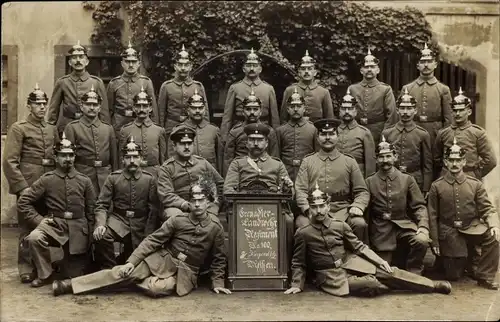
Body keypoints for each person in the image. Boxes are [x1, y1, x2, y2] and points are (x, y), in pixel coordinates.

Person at [52, 182, 231, 297]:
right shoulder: (178, 220)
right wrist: (131, 262)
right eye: (194, 200)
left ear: (209, 202)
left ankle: (134, 281)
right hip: (161, 259)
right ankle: (69, 285)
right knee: (122, 272)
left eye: (202, 200)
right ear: (189, 202)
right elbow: (152, 241)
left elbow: (219, 258)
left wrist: (217, 283)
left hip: (186, 272)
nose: (198, 204)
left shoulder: (215, 227)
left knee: (155, 289)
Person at [284, 185, 452, 297]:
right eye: (314, 207)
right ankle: (404, 286)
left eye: (322, 206)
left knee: (389, 271)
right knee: (371, 284)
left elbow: (359, 246)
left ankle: (432, 285)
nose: (319, 211)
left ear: (328, 206)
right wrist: (297, 284)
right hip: (330, 276)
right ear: (310, 209)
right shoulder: (303, 233)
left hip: (350, 263)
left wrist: (379, 262)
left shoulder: (339, 225)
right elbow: (298, 262)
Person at [17, 133, 96, 287]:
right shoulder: (47, 179)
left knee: (74, 276)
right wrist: (39, 220)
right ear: (55, 157)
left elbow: (92, 210)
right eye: (63, 155)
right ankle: (44, 273)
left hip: (78, 227)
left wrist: (91, 234)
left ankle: (61, 265)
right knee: (34, 237)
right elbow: (23, 202)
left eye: (70, 155)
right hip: (54, 225)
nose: (68, 159)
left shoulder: (84, 180)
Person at [2, 84, 58, 283]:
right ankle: (26, 267)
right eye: (37, 104)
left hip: (49, 183)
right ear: (29, 105)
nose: (42, 107)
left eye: (44, 103)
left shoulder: (52, 128)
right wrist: (23, 188)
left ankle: (44, 266)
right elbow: (9, 161)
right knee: (26, 227)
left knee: (46, 225)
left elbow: (57, 156)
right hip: (29, 183)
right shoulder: (19, 128)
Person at [428, 139, 500, 290]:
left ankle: (485, 276)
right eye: (451, 160)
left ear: (464, 162)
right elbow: (432, 215)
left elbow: (487, 208)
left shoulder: (475, 184)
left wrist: (493, 223)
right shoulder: (436, 186)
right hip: (449, 231)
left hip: (471, 227)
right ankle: (461, 259)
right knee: (453, 275)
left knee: (493, 236)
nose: (454, 164)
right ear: (446, 162)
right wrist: (435, 241)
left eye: (458, 160)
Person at [223, 122, 295, 263]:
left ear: (267, 143)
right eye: (252, 140)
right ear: (247, 143)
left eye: (260, 140)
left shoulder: (277, 164)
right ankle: (237, 265)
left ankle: (284, 264)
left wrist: (287, 187)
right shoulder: (237, 164)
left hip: (272, 210)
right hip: (244, 209)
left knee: (288, 221)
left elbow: (290, 193)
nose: (256, 143)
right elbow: (228, 190)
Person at [295, 118, 370, 243]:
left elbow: (362, 191)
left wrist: (358, 206)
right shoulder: (308, 161)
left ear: (338, 136)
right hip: (315, 209)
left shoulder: (349, 161)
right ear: (318, 138)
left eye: (331, 133)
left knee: (359, 224)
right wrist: (307, 209)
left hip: (342, 210)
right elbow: (300, 190)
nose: (327, 137)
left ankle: (356, 259)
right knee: (302, 224)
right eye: (323, 134)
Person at [365, 136, 431, 275]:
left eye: (388, 156)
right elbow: (367, 212)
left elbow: (419, 206)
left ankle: (414, 271)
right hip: (381, 230)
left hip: (403, 225)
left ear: (395, 157)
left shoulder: (407, 179)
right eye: (381, 157)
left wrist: (423, 226)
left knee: (422, 240)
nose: (385, 161)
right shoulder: (369, 182)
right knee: (383, 272)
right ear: (376, 159)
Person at [92, 136, 158, 269]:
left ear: (141, 159)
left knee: (139, 257)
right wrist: (100, 224)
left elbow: (154, 209)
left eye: (135, 157)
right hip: (119, 221)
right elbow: (101, 205)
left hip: (141, 222)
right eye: (128, 157)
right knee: (102, 236)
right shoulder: (113, 178)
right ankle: (110, 270)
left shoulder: (149, 179)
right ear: (123, 160)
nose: (132, 161)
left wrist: (149, 232)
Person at [158, 125, 224, 222]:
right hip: (178, 208)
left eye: (189, 143)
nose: (186, 147)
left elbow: (220, 184)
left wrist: (216, 204)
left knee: (213, 221)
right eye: (182, 144)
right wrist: (186, 205)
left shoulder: (203, 163)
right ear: (174, 146)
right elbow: (166, 195)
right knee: (177, 219)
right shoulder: (167, 168)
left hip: (202, 204)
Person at [64, 85, 118, 195]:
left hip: (105, 177)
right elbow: (67, 158)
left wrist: (115, 178)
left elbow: (114, 158)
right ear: (82, 106)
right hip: (82, 175)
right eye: (88, 104)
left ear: (99, 107)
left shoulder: (108, 128)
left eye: (95, 105)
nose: (92, 108)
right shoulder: (72, 127)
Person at [47, 41, 109, 135]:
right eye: (74, 57)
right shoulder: (62, 82)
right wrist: (51, 131)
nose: (78, 60)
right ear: (70, 62)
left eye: (81, 57)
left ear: (87, 61)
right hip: (67, 126)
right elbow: (53, 111)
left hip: (90, 127)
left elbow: (104, 112)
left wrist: (104, 131)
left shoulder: (96, 82)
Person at [434, 88, 496, 180]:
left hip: (469, 177)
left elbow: (491, 161)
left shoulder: (478, 133)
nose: (458, 113)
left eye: (461, 110)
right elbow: (437, 158)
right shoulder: (443, 133)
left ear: (469, 111)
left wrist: (475, 175)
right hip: (447, 178)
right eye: (455, 110)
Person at [220, 48, 279, 144]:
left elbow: (274, 118)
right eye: (248, 66)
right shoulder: (235, 88)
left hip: (263, 132)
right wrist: (224, 137)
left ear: (260, 69)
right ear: (243, 69)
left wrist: (276, 138)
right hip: (240, 132)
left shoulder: (268, 89)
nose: (252, 69)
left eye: (255, 66)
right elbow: (227, 116)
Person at [158, 45, 209, 153]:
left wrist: (205, 130)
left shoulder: (198, 86)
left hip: (193, 127)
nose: (183, 68)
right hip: (171, 127)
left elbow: (206, 112)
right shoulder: (167, 86)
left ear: (190, 66)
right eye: (180, 64)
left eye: (186, 65)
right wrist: (162, 132)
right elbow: (161, 113)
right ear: (175, 66)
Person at [381, 88, 432, 195]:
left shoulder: (422, 134)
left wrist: (426, 187)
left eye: (409, 108)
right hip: (392, 178)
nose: (405, 112)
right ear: (397, 110)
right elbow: (382, 160)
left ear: (415, 110)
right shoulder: (387, 133)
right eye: (402, 108)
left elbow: (427, 164)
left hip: (415, 179)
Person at [402, 43, 452, 148]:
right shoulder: (407, 89)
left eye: (429, 62)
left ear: (435, 64)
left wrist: (442, 137)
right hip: (413, 130)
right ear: (417, 65)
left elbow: (448, 119)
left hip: (435, 133)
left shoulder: (443, 89)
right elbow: (400, 116)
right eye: (422, 62)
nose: (426, 65)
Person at [223, 88, 279, 176]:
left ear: (260, 112)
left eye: (255, 109)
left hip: (264, 174)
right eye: (248, 109)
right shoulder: (235, 132)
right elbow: (228, 160)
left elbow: (275, 158)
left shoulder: (269, 132)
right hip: (241, 174)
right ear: (243, 112)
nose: (252, 112)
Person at [107, 41, 158, 135]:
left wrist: (154, 129)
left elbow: (153, 110)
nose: (131, 65)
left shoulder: (146, 82)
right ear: (122, 63)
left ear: (138, 64)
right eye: (127, 61)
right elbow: (109, 110)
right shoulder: (114, 83)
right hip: (119, 125)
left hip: (140, 123)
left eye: (134, 62)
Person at [347, 49, 397, 144]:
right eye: (366, 67)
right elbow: (346, 113)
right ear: (361, 70)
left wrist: (384, 135)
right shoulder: (352, 89)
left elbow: (391, 116)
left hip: (378, 132)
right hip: (356, 131)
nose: (369, 69)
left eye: (372, 67)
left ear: (378, 70)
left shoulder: (385, 89)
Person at [168, 88, 222, 172]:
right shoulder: (178, 130)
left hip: (209, 174)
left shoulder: (213, 130)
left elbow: (220, 157)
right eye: (194, 108)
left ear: (205, 109)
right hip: (186, 173)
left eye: (200, 108)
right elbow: (171, 157)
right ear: (188, 110)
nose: (197, 111)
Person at [119, 87, 167, 178]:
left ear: (150, 108)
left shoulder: (159, 130)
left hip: (154, 173)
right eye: (138, 106)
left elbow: (163, 159)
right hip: (132, 173)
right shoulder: (125, 130)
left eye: (145, 106)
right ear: (133, 108)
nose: (141, 109)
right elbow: (122, 158)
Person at [280, 50, 334, 123]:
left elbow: (329, 119)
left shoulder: (323, 92)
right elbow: (284, 118)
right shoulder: (290, 90)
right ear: (299, 72)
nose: (306, 71)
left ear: (315, 72)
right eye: (303, 69)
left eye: (309, 68)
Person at [276, 87, 317, 182]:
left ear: (304, 108)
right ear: (287, 109)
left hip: (307, 171)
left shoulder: (313, 129)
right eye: (292, 106)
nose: (295, 109)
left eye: (299, 106)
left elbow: (317, 155)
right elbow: (276, 157)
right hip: (286, 172)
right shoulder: (280, 130)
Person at [336, 89, 376, 178]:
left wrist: (368, 183)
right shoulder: (333, 131)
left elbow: (370, 164)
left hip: (357, 176)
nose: (346, 112)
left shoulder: (364, 133)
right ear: (339, 111)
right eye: (343, 108)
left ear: (355, 111)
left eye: (350, 109)